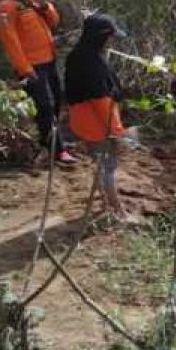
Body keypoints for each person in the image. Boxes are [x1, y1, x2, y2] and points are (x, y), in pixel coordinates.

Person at [0, 0, 75, 164]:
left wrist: (44, 5)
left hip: (49, 60)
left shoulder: (35, 2)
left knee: (56, 100)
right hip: (32, 67)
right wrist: (25, 69)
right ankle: (58, 150)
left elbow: (54, 22)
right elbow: (10, 42)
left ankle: (51, 140)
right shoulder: (8, 8)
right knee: (44, 106)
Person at [65, 13, 132, 217]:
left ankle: (105, 204)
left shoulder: (80, 55)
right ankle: (118, 211)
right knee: (108, 167)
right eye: (110, 37)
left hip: (84, 119)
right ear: (101, 36)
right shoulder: (91, 63)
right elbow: (100, 101)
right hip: (98, 122)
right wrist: (117, 131)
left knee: (101, 164)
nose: (112, 41)